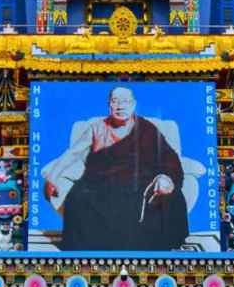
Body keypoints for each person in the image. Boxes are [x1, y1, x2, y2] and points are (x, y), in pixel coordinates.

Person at [42, 86, 188, 251]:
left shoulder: (147, 129)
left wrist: (165, 178)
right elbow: (72, 153)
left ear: (133, 104)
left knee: (169, 197)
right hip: (100, 183)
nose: (120, 106)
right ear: (109, 105)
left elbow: (168, 157)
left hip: (139, 181)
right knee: (78, 198)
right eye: (115, 101)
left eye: (125, 101)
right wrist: (52, 177)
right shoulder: (97, 128)